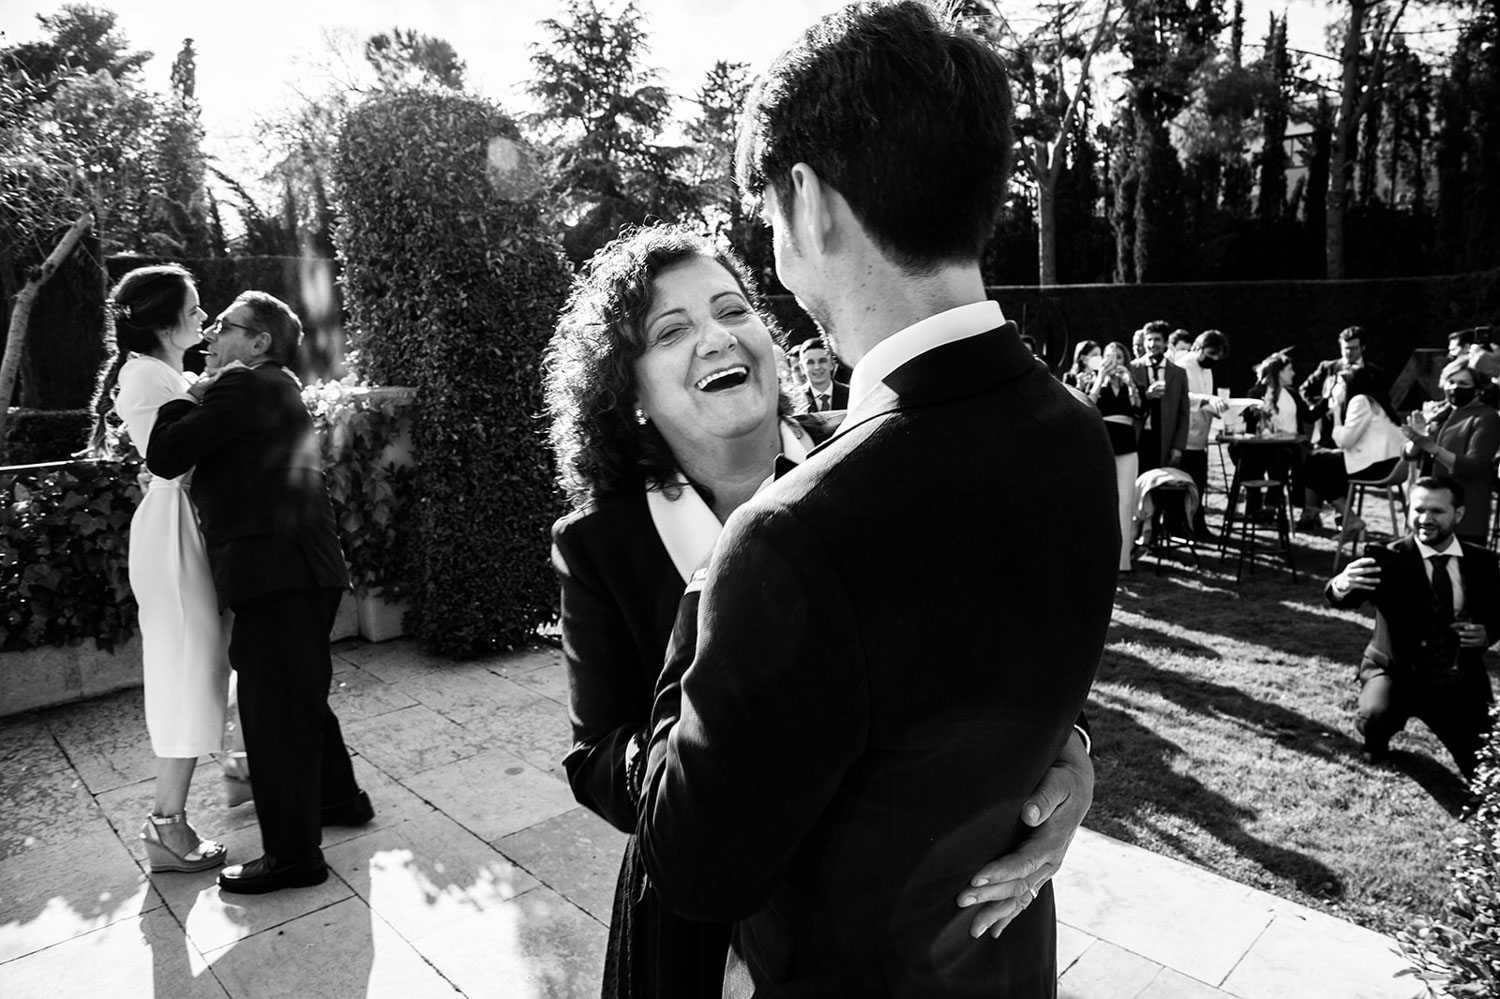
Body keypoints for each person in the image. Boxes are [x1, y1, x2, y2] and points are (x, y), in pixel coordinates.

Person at [631, 4, 1118, 994]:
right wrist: (1070, 746)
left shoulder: (790, 534)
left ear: (809, 202)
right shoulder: (1075, 435)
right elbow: (974, 678)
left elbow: (690, 861)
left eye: (766, 211)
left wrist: (709, 591)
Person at [545, 224, 1096, 998]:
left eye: (733, 310)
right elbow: (595, 751)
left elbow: (998, 628)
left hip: (932, 926)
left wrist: (1069, 745)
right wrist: (695, 772)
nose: (714, 337)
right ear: (628, 392)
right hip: (713, 935)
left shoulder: (886, 459)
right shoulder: (599, 543)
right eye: (671, 330)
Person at [147, 291, 373, 895]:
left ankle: (295, 859)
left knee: (274, 715)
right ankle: (341, 798)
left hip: (274, 572)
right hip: (304, 569)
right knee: (298, 694)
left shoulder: (243, 385)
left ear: (258, 342)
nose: (213, 336)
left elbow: (164, 455)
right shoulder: (276, 388)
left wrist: (183, 396)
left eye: (226, 327)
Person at [86, 265, 231, 874]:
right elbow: (175, 455)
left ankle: (242, 767)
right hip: (172, 535)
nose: (203, 319)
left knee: (211, 660)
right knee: (184, 673)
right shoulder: (147, 375)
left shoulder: (161, 372)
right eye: (195, 310)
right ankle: (165, 823)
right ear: (165, 321)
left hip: (182, 523)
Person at [1325, 477, 1499, 779]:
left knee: (1486, 764)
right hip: (1395, 670)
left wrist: (1487, 633)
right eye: (1418, 509)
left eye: (1437, 511)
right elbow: (1343, 599)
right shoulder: (1387, 557)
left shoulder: (1483, 562)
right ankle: (1375, 737)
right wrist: (1342, 584)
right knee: (1374, 717)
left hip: (1456, 674)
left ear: (1458, 514)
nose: (1425, 519)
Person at [1400, 358, 1500, 542]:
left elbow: (1474, 466)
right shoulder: (1436, 411)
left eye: (1463, 383)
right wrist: (1417, 440)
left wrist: (1432, 447)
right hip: (1426, 503)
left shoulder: (1487, 417)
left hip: (1463, 510)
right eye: (1451, 382)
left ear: (1478, 389)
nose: (1455, 388)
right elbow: (1408, 454)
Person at [1307, 366, 1405, 543]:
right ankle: (1344, 519)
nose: (1337, 389)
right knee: (1327, 462)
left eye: (1341, 384)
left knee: (1314, 461)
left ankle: (1346, 519)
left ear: (1352, 385)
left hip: (1378, 467)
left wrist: (1336, 414)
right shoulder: (1377, 401)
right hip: (1393, 463)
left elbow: (1344, 441)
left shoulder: (1360, 401)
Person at [1086, 341, 1144, 571]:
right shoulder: (1095, 382)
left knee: (1126, 501)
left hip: (1127, 446)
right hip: (1103, 445)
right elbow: (1088, 404)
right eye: (1109, 358)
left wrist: (1131, 385)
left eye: (1118, 358)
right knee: (1102, 501)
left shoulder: (1133, 384)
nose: (1114, 363)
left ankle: (1122, 560)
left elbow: (1141, 411)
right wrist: (1100, 379)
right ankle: (1099, 555)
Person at [1178, 330, 1230, 536]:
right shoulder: (1183, 366)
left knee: (1199, 483)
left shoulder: (1207, 369)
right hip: (1184, 437)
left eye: (1218, 355)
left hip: (1201, 437)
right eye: (1211, 353)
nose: (1214, 359)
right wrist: (1207, 401)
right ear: (1199, 347)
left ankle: (1198, 524)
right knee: (1186, 484)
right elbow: (1183, 396)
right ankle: (1184, 525)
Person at [1301, 326, 1386, 448]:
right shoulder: (1328, 368)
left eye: (1354, 348)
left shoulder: (1374, 373)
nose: (1349, 353)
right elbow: (1304, 390)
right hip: (1328, 436)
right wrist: (1318, 406)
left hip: (1362, 436)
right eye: (1345, 348)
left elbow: (1383, 401)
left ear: (1363, 347)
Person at [1130, 321, 1189, 472]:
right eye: (1149, 339)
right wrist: (1146, 396)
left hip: (1164, 439)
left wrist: (1178, 447)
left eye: (1157, 340)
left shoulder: (1178, 373)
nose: (1152, 344)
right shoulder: (1132, 368)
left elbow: (1184, 414)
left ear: (1165, 343)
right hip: (1137, 437)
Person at [795, 336, 849, 411]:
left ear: (832, 364)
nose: (817, 367)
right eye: (810, 362)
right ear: (802, 367)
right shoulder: (795, 401)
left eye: (822, 361)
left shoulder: (851, 395)